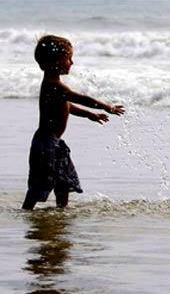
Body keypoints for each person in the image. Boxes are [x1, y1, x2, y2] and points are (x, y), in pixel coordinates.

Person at [22, 35, 125, 210]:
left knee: (63, 180)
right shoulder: (53, 85)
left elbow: (67, 106)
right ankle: (26, 210)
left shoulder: (56, 87)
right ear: (56, 61)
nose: (72, 62)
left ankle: (62, 209)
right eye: (68, 58)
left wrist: (90, 115)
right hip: (45, 144)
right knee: (39, 183)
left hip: (54, 143)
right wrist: (107, 107)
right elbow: (79, 98)